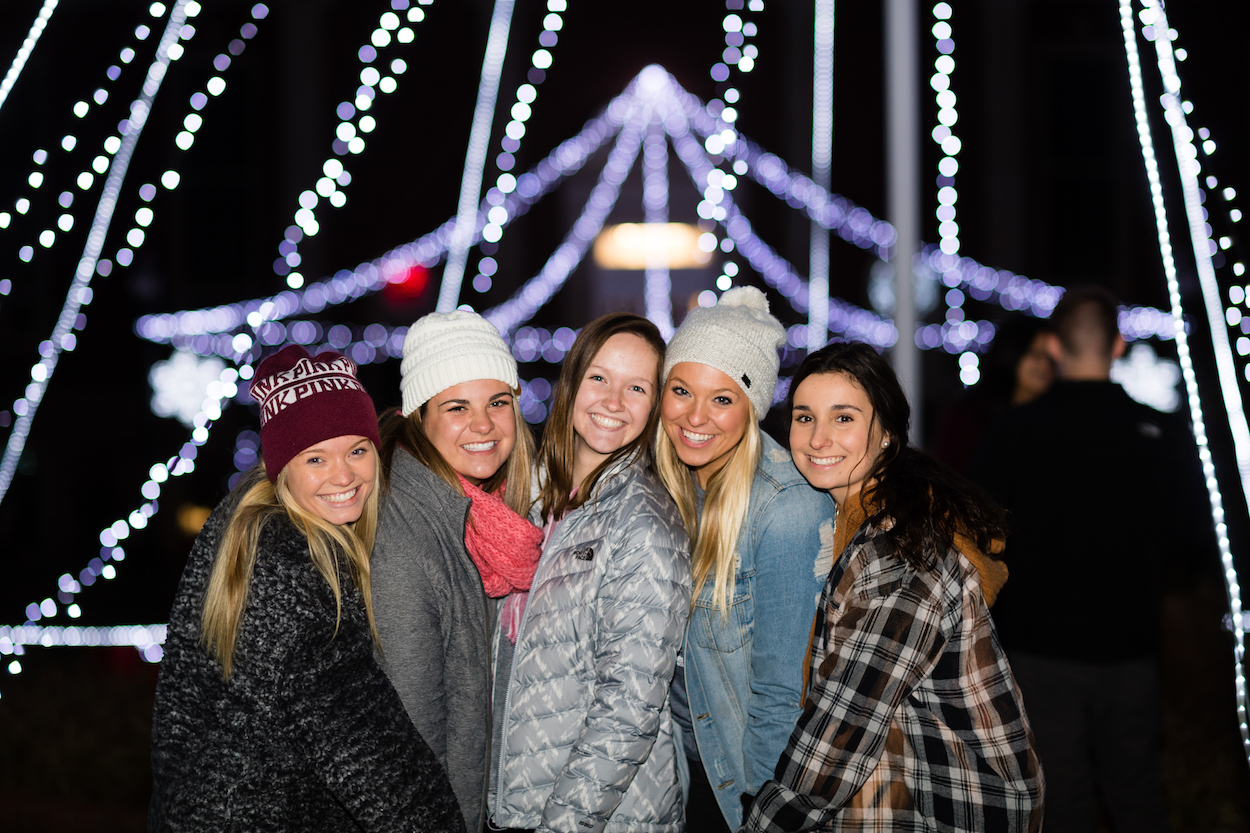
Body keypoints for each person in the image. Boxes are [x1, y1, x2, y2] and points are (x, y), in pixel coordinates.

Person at [149, 346, 464, 832]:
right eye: (316, 457)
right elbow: (373, 761)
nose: (344, 475)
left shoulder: (238, 532)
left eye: (358, 450)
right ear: (282, 469)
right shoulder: (293, 569)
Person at [744, 341, 1043, 832]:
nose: (818, 438)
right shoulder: (854, 517)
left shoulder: (899, 556)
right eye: (804, 417)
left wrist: (764, 822)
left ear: (885, 432)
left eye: (843, 418)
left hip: (950, 805)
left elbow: (845, 727)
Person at [969, 286, 1211, 833]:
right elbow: (1193, 539)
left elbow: (975, 527)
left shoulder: (1017, 430)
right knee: (1139, 799)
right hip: (1130, 648)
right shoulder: (1159, 433)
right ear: (1119, 345)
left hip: (1040, 650)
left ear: (1053, 346)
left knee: (1061, 804)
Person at [492, 312, 692, 833]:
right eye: (599, 377)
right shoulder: (529, 500)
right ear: (573, 381)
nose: (613, 402)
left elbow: (628, 710)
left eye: (637, 388)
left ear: (653, 408)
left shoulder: (644, 525)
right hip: (516, 805)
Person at [655, 287, 833, 831]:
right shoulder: (665, 485)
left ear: (751, 410)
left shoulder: (785, 509)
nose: (695, 416)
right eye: (681, 390)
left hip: (734, 783)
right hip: (671, 772)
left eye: (723, 398)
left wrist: (762, 816)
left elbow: (784, 696)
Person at [370, 310, 541, 833]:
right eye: (457, 407)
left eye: (498, 403)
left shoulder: (499, 514)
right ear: (419, 418)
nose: (484, 424)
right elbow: (412, 737)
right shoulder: (405, 536)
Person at [932, 314, 1054, 472]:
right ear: (1011, 353)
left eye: (1050, 357)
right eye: (1035, 354)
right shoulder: (969, 416)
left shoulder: (1054, 415)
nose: (1045, 365)